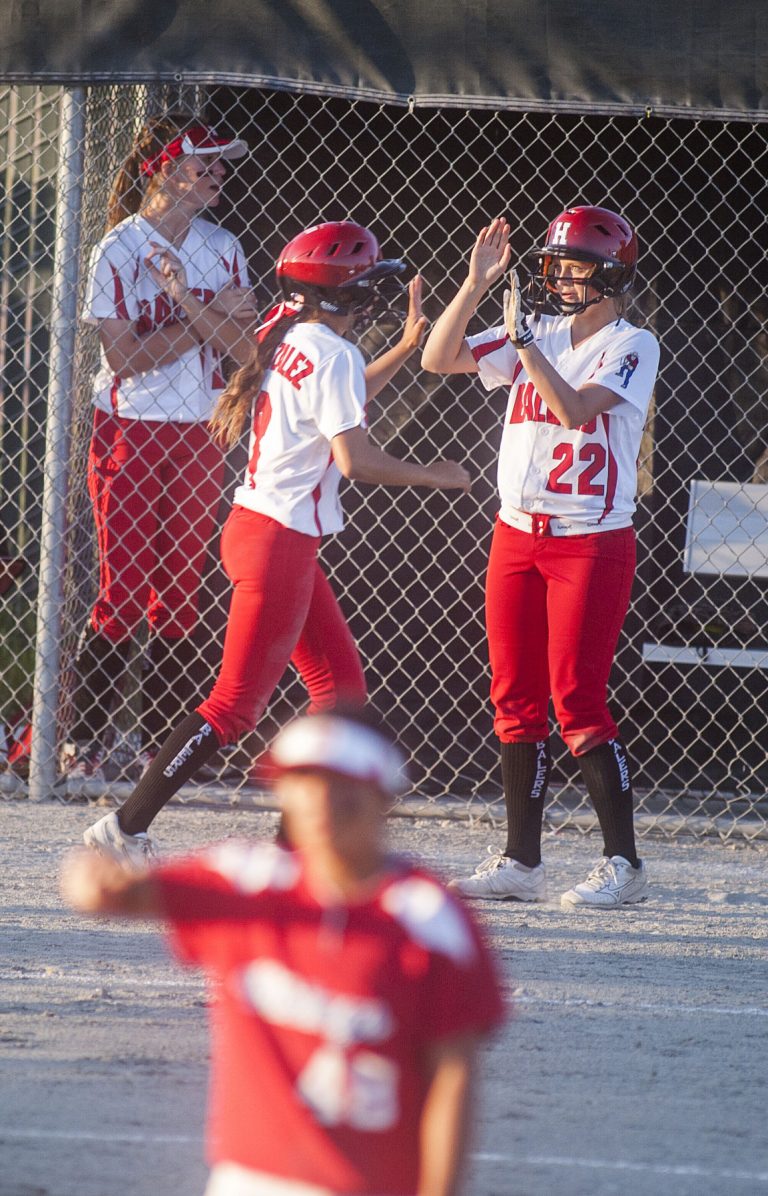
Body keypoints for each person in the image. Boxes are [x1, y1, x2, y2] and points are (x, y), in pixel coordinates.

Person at [83, 219, 470, 863]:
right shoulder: (331, 350)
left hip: (263, 530)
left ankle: (295, 853)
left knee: (341, 692)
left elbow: (335, 404)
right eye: (367, 281)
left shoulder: (295, 335)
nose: (375, 291)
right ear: (345, 294)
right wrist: (438, 474)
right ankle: (122, 829)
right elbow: (355, 459)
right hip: (278, 541)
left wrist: (404, 349)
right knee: (233, 708)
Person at [62, 707, 505, 1196]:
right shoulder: (247, 884)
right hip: (246, 1180)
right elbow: (126, 891)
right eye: (305, 784)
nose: (321, 803)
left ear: (383, 796)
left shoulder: (428, 921)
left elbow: (453, 1077)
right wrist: (96, 885)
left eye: (343, 786)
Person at [421, 206, 660, 910]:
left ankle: (625, 864)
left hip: (589, 538)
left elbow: (575, 411)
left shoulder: (632, 342)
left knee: (577, 698)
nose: (556, 276)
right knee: (514, 698)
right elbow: (438, 357)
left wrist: (526, 347)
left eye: (573, 264)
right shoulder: (543, 328)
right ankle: (521, 862)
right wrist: (472, 287)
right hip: (516, 532)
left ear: (611, 273)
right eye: (552, 264)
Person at [62, 113, 257, 786]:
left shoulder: (224, 245)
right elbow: (123, 357)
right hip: (130, 426)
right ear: (165, 170)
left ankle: (156, 748)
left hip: (201, 429)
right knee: (121, 590)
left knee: (178, 596)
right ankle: (81, 744)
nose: (218, 174)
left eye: (220, 163)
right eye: (204, 163)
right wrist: (203, 316)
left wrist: (199, 320)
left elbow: (248, 350)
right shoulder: (119, 248)